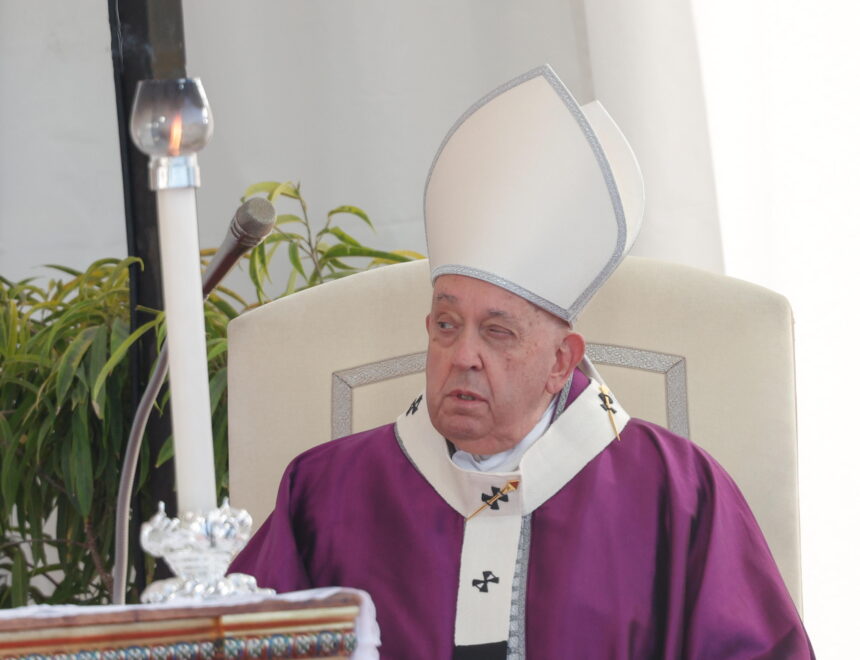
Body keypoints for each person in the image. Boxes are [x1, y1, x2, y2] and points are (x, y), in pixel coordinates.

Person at [230, 65, 814, 659]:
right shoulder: (326, 492)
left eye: (498, 332)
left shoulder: (679, 492)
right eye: (447, 325)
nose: (463, 358)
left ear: (562, 360)